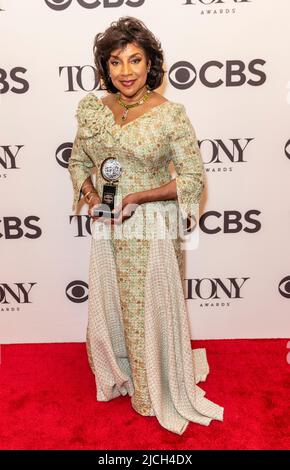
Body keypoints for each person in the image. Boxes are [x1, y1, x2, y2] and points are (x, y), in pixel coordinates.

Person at [68, 16, 224, 435]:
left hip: (152, 226)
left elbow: (192, 179)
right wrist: (92, 197)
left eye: (135, 60)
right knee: (115, 299)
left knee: (145, 303)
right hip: (109, 225)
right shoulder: (96, 110)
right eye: (115, 62)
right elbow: (79, 160)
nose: (126, 71)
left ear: (151, 63)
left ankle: (152, 387)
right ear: (105, 67)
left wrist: (138, 196)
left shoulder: (171, 114)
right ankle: (123, 366)